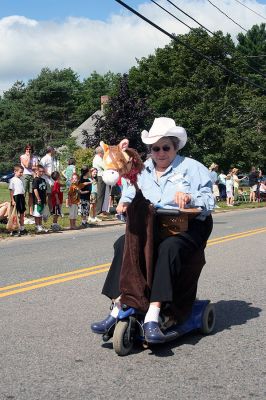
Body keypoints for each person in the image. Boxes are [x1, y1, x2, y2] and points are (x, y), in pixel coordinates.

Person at [91, 117, 214, 343]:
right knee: (123, 243)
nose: (160, 152)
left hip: (187, 225)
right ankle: (120, 305)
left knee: (169, 248)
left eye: (165, 147)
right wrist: (124, 204)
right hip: (153, 223)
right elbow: (130, 193)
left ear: (175, 146)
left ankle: (153, 315)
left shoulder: (192, 167)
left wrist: (189, 197)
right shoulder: (142, 169)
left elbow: (209, 200)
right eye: (155, 148)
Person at [8, 165, 27, 236]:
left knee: (22, 213)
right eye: (20, 172)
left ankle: (22, 228)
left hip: (21, 197)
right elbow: (11, 191)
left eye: (22, 172)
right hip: (16, 197)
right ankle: (13, 229)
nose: (21, 174)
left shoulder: (20, 180)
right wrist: (12, 200)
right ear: (15, 172)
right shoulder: (12, 180)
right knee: (15, 214)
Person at [20, 144, 38, 215]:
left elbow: (36, 167)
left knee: (31, 194)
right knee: (23, 193)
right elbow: (26, 165)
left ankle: (31, 211)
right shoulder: (22, 156)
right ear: (25, 149)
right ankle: (23, 210)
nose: (28, 150)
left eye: (30, 149)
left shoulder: (35, 157)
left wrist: (32, 167)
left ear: (31, 150)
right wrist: (29, 157)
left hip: (32, 176)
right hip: (24, 175)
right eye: (27, 149)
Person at [32, 164, 48, 233]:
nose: (41, 173)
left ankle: (40, 226)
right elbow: (35, 190)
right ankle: (37, 226)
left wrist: (45, 199)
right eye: (40, 171)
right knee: (37, 213)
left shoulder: (43, 180)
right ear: (36, 171)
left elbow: (45, 191)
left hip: (43, 199)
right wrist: (38, 199)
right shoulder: (35, 180)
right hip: (37, 200)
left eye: (43, 171)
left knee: (40, 213)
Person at [40, 147, 57, 211]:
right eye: (53, 150)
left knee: (49, 195)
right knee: (45, 195)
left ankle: (50, 209)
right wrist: (48, 174)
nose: (54, 151)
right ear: (51, 151)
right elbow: (41, 167)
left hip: (51, 180)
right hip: (45, 179)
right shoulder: (45, 158)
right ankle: (45, 209)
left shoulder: (51, 158)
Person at [92, 146, 106, 215]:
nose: (103, 153)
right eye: (103, 152)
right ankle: (98, 211)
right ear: (100, 153)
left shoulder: (96, 158)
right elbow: (105, 166)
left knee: (100, 193)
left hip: (99, 176)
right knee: (100, 194)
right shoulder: (98, 159)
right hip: (100, 176)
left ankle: (99, 210)